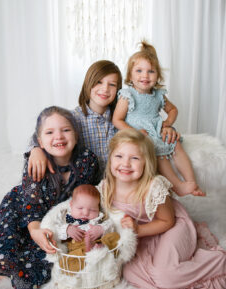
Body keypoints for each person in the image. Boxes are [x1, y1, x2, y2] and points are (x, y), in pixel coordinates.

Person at [98, 128, 226, 289]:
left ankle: (219, 263)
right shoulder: (106, 187)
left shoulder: (153, 187)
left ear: (146, 162)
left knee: (164, 276)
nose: (125, 164)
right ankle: (169, 276)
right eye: (119, 156)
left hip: (170, 227)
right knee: (129, 273)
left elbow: (167, 221)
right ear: (110, 159)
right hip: (143, 236)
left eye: (134, 158)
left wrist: (139, 230)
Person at [0, 106, 99, 289]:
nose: (59, 137)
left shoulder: (87, 161)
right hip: (22, 210)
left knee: (48, 261)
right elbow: (32, 206)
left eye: (65, 130)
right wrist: (35, 231)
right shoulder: (36, 161)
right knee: (6, 250)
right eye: (49, 132)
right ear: (40, 141)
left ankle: (16, 270)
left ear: (76, 135)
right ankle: (0, 265)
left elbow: (85, 197)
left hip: (54, 218)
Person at [28, 60, 179, 182]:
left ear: (119, 90)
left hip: (117, 182)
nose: (105, 89)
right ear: (88, 83)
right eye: (99, 82)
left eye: (112, 84)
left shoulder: (122, 119)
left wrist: (166, 127)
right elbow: (44, 133)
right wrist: (36, 149)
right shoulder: (73, 118)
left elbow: (148, 126)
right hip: (83, 186)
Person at [112, 40, 205, 197]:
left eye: (151, 72)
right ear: (130, 75)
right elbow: (117, 120)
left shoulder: (158, 95)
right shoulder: (128, 95)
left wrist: (167, 123)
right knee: (160, 153)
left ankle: (191, 181)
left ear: (158, 76)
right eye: (139, 71)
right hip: (138, 134)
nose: (145, 76)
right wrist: (135, 132)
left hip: (156, 129)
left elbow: (173, 110)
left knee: (176, 145)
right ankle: (178, 186)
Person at [55, 184, 114, 252]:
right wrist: (67, 229)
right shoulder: (64, 216)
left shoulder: (98, 218)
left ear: (98, 209)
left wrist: (101, 229)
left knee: (112, 238)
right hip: (72, 250)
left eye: (92, 210)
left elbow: (111, 225)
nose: (86, 213)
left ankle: (95, 249)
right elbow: (54, 230)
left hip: (95, 246)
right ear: (71, 205)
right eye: (80, 208)